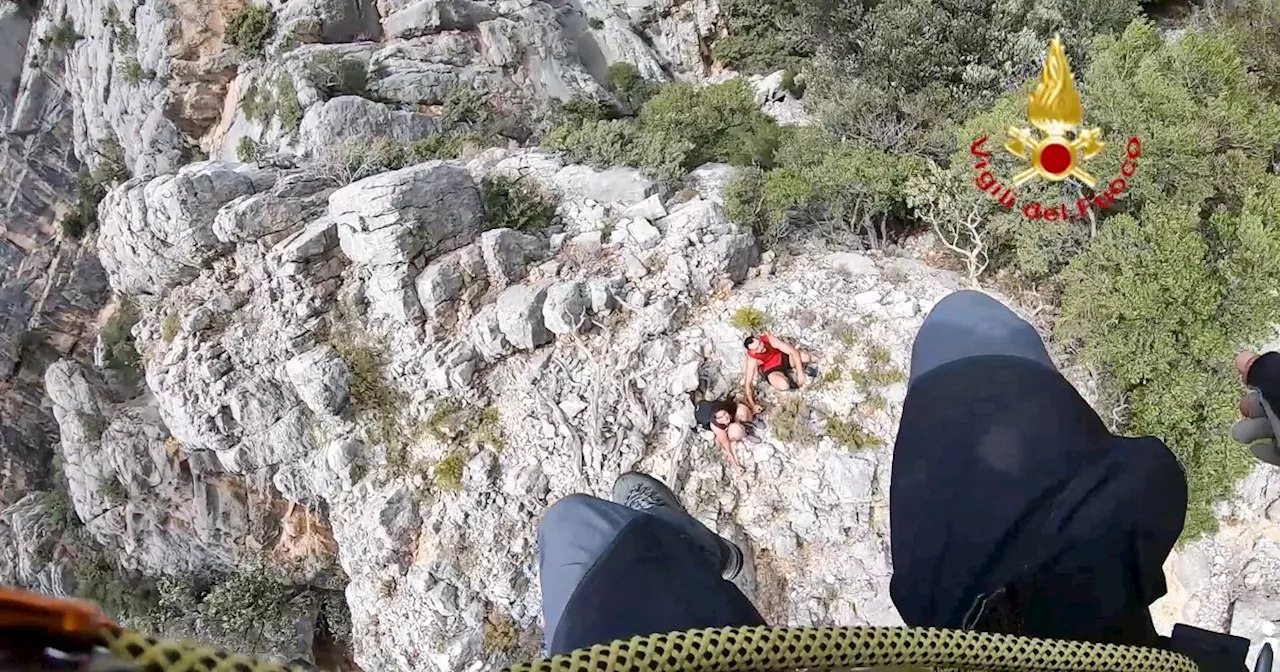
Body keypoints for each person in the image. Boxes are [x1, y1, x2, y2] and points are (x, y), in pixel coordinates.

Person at [535, 289, 1280, 661]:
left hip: (1023, 627)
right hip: (1041, 628)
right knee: (966, 323)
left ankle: (703, 559)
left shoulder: (755, 365)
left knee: (577, 526)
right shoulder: (745, 378)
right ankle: (697, 558)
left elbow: (769, 369)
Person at [740, 333, 816, 412]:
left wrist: (800, 373)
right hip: (771, 369)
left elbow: (793, 352)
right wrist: (753, 405)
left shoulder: (768, 339)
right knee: (784, 385)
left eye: (760, 343)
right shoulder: (753, 359)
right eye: (757, 348)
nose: (761, 347)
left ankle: (803, 367)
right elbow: (748, 383)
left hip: (782, 357)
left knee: (805, 357)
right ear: (753, 352)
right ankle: (790, 378)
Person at [692, 397, 758, 471]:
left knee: (743, 411)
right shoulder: (716, 427)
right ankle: (746, 434)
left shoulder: (728, 407)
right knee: (736, 431)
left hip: (723, 411)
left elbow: (739, 399)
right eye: (720, 417)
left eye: (724, 414)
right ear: (716, 419)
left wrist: (752, 407)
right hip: (724, 428)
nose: (724, 418)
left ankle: (752, 421)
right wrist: (736, 465)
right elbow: (726, 446)